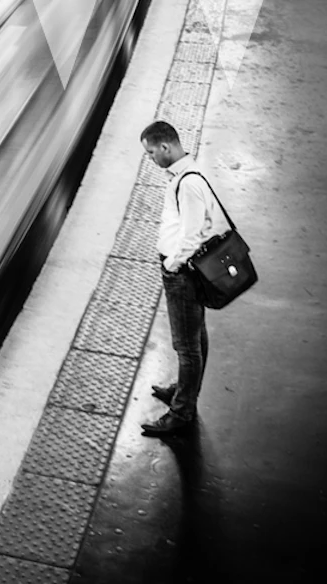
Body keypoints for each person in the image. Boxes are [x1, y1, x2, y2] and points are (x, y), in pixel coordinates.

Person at [139, 119, 232, 437]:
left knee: (186, 346)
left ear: (165, 146)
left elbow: (192, 236)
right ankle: (184, 390)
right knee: (195, 337)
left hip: (183, 274)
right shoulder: (184, 176)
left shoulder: (188, 182)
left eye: (151, 152)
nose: (151, 158)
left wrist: (173, 265)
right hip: (185, 272)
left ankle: (182, 411)